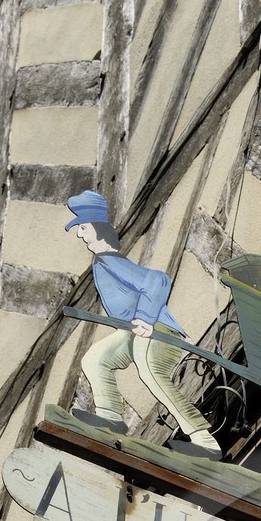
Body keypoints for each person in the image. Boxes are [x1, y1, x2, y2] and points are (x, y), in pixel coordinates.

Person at [64, 190, 219, 455]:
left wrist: (146, 319)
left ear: (98, 229)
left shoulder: (109, 261)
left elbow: (158, 280)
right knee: (94, 358)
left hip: (158, 329)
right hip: (132, 332)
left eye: (83, 227)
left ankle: (205, 441)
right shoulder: (102, 263)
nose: (79, 234)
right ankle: (110, 416)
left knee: (149, 370)